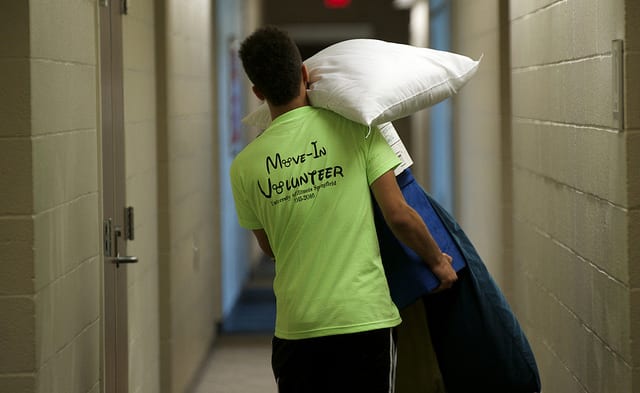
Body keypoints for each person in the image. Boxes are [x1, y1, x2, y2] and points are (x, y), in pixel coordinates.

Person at [230, 26, 457, 393]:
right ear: (304, 74)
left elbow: (270, 247)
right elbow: (398, 213)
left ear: (258, 92)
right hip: (362, 320)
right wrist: (436, 260)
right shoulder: (357, 128)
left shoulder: (245, 165)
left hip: (297, 326)